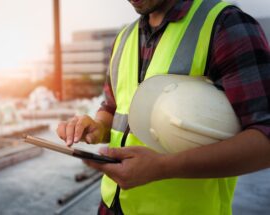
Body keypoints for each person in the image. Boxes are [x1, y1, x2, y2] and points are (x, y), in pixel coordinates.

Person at [56, 0, 270, 214]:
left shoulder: (226, 25)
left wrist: (164, 167)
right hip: (112, 207)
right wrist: (98, 126)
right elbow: (112, 107)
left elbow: (265, 141)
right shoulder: (124, 39)